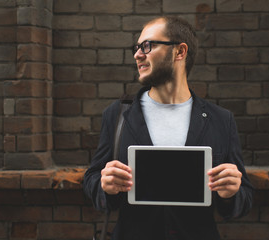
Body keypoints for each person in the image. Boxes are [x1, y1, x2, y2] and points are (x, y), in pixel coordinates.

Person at [83, 16, 253, 240]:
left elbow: (244, 199)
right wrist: (105, 185)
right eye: (137, 47)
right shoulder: (118, 114)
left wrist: (231, 193)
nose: (137, 55)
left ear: (180, 52)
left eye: (147, 46)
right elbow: (93, 182)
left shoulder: (220, 119)